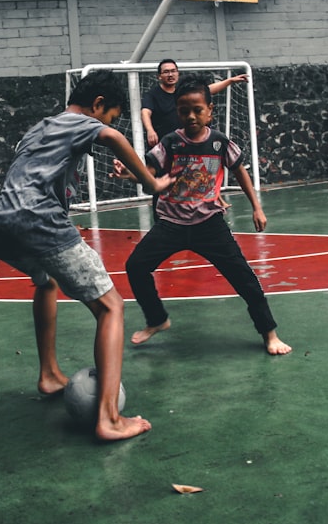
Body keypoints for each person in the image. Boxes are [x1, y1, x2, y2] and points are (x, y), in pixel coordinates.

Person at [0, 69, 175, 442]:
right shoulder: (80, 121)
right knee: (111, 307)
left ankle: (49, 374)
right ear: (99, 104)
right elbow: (111, 135)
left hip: (2, 221)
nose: (108, 122)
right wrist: (151, 182)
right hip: (38, 219)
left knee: (46, 281)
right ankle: (109, 418)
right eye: (110, 113)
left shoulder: (42, 125)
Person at [114, 77, 292, 356]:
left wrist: (257, 207)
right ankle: (157, 319)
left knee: (245, 280)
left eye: (198, 110)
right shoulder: (170, 143)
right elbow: (148, 170)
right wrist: (128, 172)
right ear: (177, 112)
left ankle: (270, 334)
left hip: (209, 224)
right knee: (136, 266)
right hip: (171, 222)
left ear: (210, 110)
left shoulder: (220, 143)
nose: (191, 116)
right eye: (184, 111)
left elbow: (240, 171)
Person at [140, 59, 248, 148]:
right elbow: (145, 112)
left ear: (178, 73)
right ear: (159, 76)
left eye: (173, 71)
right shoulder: (152, 94)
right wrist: (150, 130)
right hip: (163, 143)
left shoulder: (183, 91)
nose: (170, 74)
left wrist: (230, 81)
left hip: (185, 142)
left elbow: (207, 90)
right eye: (166, 72)